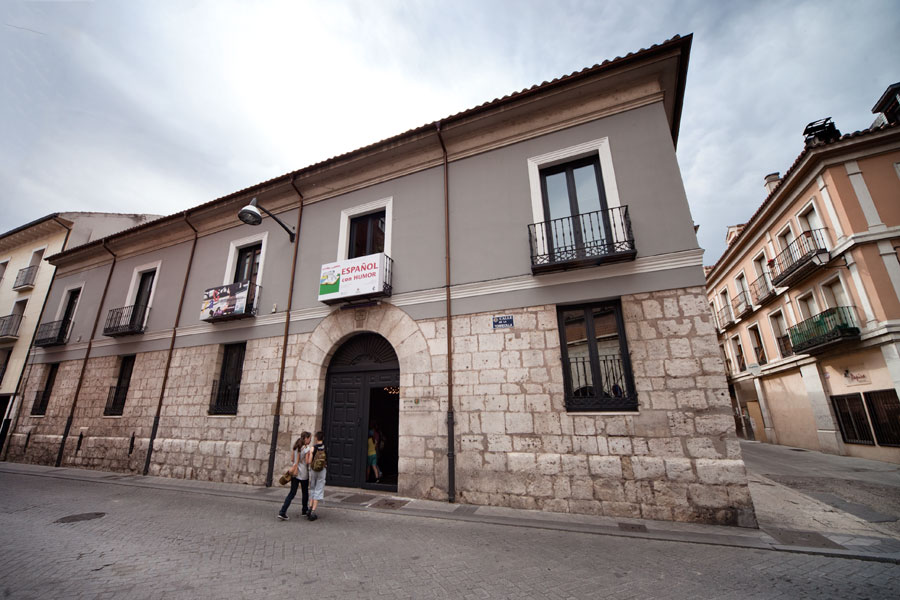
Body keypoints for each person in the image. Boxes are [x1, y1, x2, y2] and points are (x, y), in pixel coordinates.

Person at [277, 432, 311, 521]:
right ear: (306, 438)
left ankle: (282, 511)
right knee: (305, 492)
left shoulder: (296, 447)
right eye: (309, 438)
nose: (310, 440)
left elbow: (292, 459)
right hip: (303, 473)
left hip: (295, 473)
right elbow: (307, 461)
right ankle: (304, 510)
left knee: (292, 493)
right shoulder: (307, 449)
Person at [306, 430, 326, 521]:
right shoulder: (325, 448)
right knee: (319, 489)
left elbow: (310, 461)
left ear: (316, 438)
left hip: (313, 470)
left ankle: (310, 508)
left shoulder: (313, 448)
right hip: (322, 470)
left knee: (312, 488)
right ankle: (313, 511)